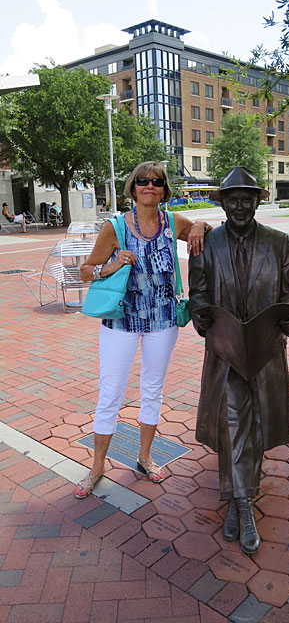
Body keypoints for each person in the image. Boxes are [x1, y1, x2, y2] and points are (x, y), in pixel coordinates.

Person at [74, 161, 210, 499]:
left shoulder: (171, 222)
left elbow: (206, 232)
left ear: (165, 189)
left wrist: (202, 224)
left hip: (163, 322)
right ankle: (97, 466)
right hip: (121, 321)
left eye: (157, 182)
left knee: (152, 389)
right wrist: (113, 263)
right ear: (132, 188)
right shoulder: (115, 227)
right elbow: (85, 271)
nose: (149, 186)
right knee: (111, 392)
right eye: (142, 181)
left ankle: (145, 456)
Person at [188, 166, 289, 555]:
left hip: (266, 348)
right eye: (232, 199)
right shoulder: (206, 244)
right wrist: (201, 313)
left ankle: (241, 495)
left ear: (257, 202)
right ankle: (242, 504)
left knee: (254, 424)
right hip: (226, 350)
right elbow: (198, 293)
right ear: (222, 204)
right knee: (234, 421)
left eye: (246, 199)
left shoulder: (280, 242)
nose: (239, 206)